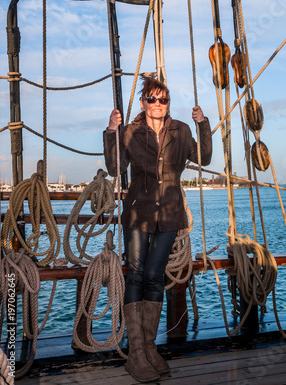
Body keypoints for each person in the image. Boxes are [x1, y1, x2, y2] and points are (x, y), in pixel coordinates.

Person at [103, 77, 212, 383]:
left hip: (170, 213)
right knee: (136, 274)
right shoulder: (130, 132)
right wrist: (111, 132)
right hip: (138, 212)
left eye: (163, 100)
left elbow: (205, 157)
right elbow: (115, 169)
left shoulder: (181, 130)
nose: (158, 105)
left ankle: (149, 348)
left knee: (154, 275)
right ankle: (136, 354)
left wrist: (203, 124)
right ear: (143, 103)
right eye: (152, 99)